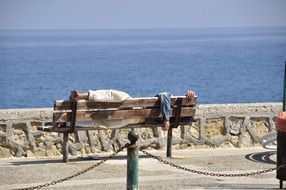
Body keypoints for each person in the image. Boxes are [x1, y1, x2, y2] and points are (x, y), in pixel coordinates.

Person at [70, 89, 196, 131]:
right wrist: (166, 120)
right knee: (101, 122)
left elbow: (164, 94)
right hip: (134, 116)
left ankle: (83, 96)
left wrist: (166, 120)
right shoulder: (183, 115)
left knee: (110, 96)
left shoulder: (182, 114)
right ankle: (74, 118)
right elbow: (165, 95)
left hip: (134, 115)